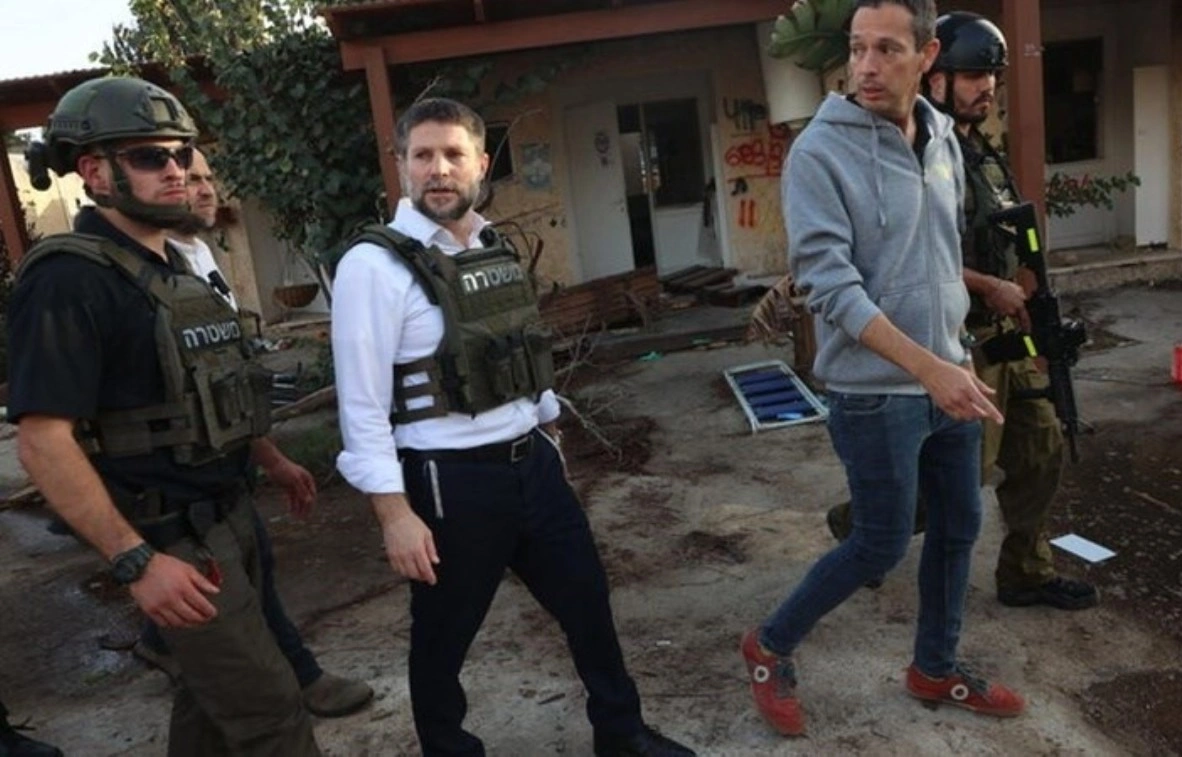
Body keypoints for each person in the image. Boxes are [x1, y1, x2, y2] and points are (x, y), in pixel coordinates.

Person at [330, 97, 694, 757]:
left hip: (531, 466)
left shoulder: (491, 245)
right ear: (402, 165)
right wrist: (394, 514)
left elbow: (520, 350)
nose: (438, 169)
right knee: (444, 635)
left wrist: (549, 431)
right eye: (422, 155)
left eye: (453, 154)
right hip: (448, 481)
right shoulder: (374, 265)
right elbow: (361, 405)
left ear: (480, 162)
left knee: (587, 602)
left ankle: (621, 732)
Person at [9, 76, 319, 755]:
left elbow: (206, 393)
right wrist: (137, 561)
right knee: (273, 716)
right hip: (170, 540)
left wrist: (269, 459)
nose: (176, 169)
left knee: (208, 709)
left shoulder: (171, 264)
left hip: (227, 521)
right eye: (151, 156)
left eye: (181, 153)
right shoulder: (68, 280)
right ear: (95, 172)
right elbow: (42, 441)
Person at [739, 0, 1025, 737]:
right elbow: (831, 288)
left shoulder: (942, 138)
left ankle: (934, 665)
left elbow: (932, 256)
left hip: (948, 373)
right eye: (858, 48)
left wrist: (965, 325)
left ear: (926, 56)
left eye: (887, 49)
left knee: (960, 525)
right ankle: (769, 646)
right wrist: (930, 369)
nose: (866, 66)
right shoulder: (819, 153)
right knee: (880, 541)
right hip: (875, 393)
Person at [826, 11, 1099, 612]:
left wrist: (1028, 294)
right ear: (935, 76)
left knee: (1040, 448)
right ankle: (859, 529)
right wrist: (989, 286)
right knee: (957, 477)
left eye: (992, 76)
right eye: (975, 75)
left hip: (1006, 332)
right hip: (955, 340)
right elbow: (919, 250)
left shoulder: (981, 153)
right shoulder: (917, 152)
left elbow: (1009, 234)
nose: (988, 88)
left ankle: (1025, 572)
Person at [130, 147, 376, 718]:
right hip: (180, 476)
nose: (202, 188)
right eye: (189, 179)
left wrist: (271, 459)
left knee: (243, 567)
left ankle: (158, 640)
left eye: (207, 177)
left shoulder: (200, 258)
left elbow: (227, 383)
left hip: (228, 458)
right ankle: (300, 678)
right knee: (247, 575)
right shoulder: (149, 275)